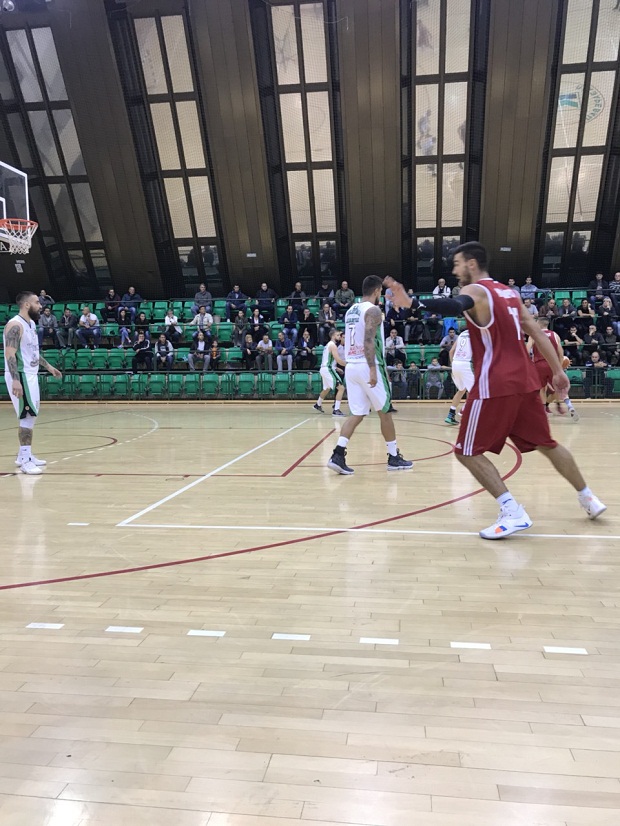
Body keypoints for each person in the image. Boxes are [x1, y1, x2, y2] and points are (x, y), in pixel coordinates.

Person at [385, 241, 606, 539]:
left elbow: (454, 306)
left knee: (466, 452)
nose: (455, 270)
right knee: (547, 444)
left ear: (471, 264)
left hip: (494, 383)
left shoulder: (476, 290)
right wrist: (558, 371)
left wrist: (413, 303)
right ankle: (588, 498)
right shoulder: (509, 294)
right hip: (526, 382)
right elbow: (538, 333)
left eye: (457, 264)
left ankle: (512, 511)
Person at [327, 275, 413, 475]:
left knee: (357, 414)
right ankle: (393, 457)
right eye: (380, 291)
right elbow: (368, 340)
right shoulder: (373, 310)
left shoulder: (351, 310)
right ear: (376, 291)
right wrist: (373, 369)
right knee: (385, 412)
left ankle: (337, 454)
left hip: (351, 366)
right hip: (367, 365)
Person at [3, 291, 62, 474]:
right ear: (26, 305)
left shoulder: (31, 324)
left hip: (30, 374)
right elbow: (10, 354)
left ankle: (23, 455)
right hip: (20, 375)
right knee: (26, 417)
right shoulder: (15, 325)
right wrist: (15, 380)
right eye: (37, 302)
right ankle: (26, 460)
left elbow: (33, 352)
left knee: (31, 416)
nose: (40, 305)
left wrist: (49, 367)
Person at [527, 317, 578, 421]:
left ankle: (543, 411)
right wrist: (559, 368)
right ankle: (570, 406)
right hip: (552, 364)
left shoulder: (534, 334)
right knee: (560, 387)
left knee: (542, 389)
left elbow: (527, 350)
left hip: (539, 364)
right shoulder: (555, 335)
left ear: (539, 324)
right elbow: (560, 353)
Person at [314, 328, 346, 416]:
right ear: (333, 336)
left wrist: (336, 368)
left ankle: (318, 404)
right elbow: (338, 360)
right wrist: (348, 364)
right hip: (328, 369)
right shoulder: (333, 345)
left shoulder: (328, 345)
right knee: (341, 388)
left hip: (324, 368)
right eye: (338, 335)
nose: (339, 337)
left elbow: (330, 360)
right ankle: (336, 410)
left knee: (327, 388)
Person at [445, 328, 473, 425]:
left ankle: (450, 415)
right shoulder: (475, 333)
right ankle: (464, 411)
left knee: (461, 390)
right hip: (466, 363)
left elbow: (451, 351)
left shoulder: (462, 334)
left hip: (455, 363)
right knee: (475, 391)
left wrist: (453, 365)